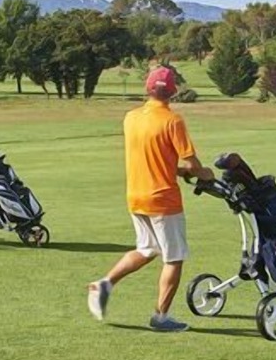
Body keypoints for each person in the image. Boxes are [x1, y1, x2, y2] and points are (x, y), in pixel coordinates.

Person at [86, 65, 214, 332]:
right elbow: (192, 164)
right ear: (173, 92)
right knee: (174, 258)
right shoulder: (172, 120)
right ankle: (161, 317)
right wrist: (206, 174)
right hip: (163, 199)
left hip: (136, 196)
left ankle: (104, 284)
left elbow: (156, 157)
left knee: (147, 249)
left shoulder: (130, 117)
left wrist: (177, 170)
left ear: (148, 88)